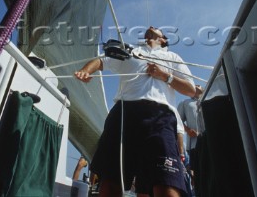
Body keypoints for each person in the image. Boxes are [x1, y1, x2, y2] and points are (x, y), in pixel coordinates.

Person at [74, 26, 196, 197]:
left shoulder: (172, 57)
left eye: (158, 29)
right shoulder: (130, 51)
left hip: (159, 117)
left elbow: (191, 90)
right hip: (124, 114)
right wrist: (86, 71)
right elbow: (102, 61)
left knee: (166, 182)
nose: (152, 28)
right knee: (110, 181)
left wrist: (165, 76)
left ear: (163, 39)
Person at [177, 85, 204, 194]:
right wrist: (188, 130)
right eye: (195, 85)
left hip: (211, 143)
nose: (197, 86)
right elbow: (177, 120)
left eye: (199, 85)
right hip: (194, 145)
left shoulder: (209, 99)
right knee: (198, 177)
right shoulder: (185, 102)